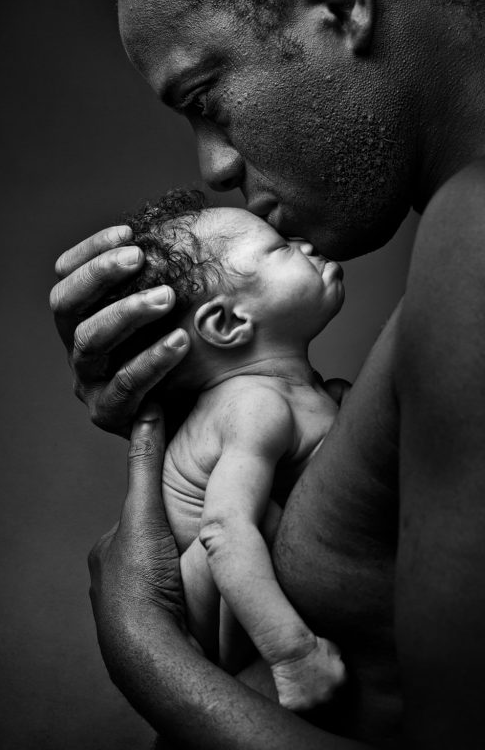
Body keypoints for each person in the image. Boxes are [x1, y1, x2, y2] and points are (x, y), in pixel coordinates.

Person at [50, 0, 485, 748]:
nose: (210, 165)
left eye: (208, 99)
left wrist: (143, 648)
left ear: (338, 2)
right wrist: (189, 395)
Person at [116, 186, 347, 709]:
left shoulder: (308, 392)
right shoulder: (254, 406)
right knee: (257, 516)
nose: (306, 246)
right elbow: (222, 530)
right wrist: (291, 653)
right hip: (226, 613)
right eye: (281, 248)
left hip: (258, 591)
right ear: (227, 323)